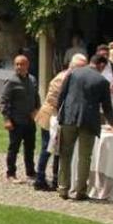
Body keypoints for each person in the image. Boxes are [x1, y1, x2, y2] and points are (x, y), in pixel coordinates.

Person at [56, 54, 113, 200]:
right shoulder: (102, 81)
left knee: (65, 154)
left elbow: (62, 95)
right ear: (101, 65)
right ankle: (80, 191)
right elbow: (107, 107)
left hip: (69, 118)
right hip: (89, 121)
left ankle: (63, 188)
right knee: (85, 157)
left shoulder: (72, 73)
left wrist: (60, 114)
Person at [35, 54, 87, 191]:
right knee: (48, 148)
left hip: (59, 117)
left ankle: (56, 178)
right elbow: (55, 100)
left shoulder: (71, 78)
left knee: (58, 149)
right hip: (50, 116)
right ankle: (40, 178)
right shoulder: (63, 78)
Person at [1, 54, 40, 183]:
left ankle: (31, 172)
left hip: (29, 121)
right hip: (16, 121)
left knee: (30, 148)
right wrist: (6, 119)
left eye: (21, 64)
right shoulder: (11, 81)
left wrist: (36, 110)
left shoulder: (32, 80)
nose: (19, 67)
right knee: (14, 148)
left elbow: (36, 97)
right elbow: (5, 101)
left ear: (27, 65)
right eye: (17, 64)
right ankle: (11, 173)